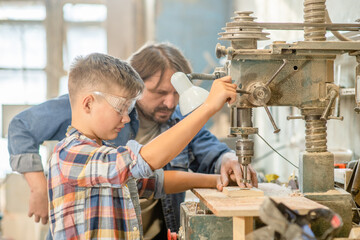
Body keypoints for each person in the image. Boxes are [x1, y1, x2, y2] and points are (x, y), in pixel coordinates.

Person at [7, 42, 257, 238]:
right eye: (121, 108)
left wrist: (218, 180)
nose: (126, 119)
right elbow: (147, 160)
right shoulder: (72, 154)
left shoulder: (103, 151)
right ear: (88, 103)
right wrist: (208, 108)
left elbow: (158, 181)